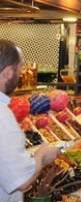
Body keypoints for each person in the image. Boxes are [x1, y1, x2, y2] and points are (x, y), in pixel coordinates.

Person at [0, 40, 59, 201]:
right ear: (7, 72)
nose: (21, 75)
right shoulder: (3, 119)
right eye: (19, 68)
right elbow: (21, 181)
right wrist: (41, 156)